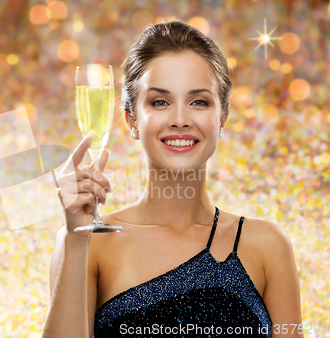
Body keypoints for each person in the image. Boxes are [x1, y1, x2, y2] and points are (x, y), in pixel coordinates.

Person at [42, 19, 303, 338]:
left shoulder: (267, 246)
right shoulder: (89, 242)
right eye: (160, 102)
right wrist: (77, 238)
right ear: (132, 120)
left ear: (222, 118)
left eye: (198, 102)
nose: (180, 119)